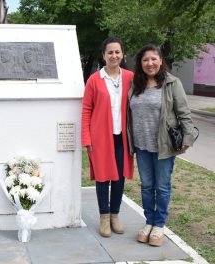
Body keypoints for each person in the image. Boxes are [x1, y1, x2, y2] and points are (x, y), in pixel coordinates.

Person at [128, 44, 198, 246]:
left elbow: (184, 112)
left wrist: (188, 138)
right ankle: (149, 221)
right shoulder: (136, 84)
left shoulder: (171, 83)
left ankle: (159, 225)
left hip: (164, 146)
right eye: (145, 60)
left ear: (160, 61)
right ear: (140, 64)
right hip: (141, 145)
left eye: (153, 59)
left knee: (163, 186)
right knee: (147, 186)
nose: (150, 63)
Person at [81, 37, 134, 237]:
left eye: (117, 52)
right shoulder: (94, 79)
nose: (114, 55)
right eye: (109, 52)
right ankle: (104, 217)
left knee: (119, 178)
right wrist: (87, 139)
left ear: (123, 54)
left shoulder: (130, 77)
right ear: (103, 55)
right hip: (101, 137)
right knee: (103, 177)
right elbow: (86, 110)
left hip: (123, 137)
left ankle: (115, 215)